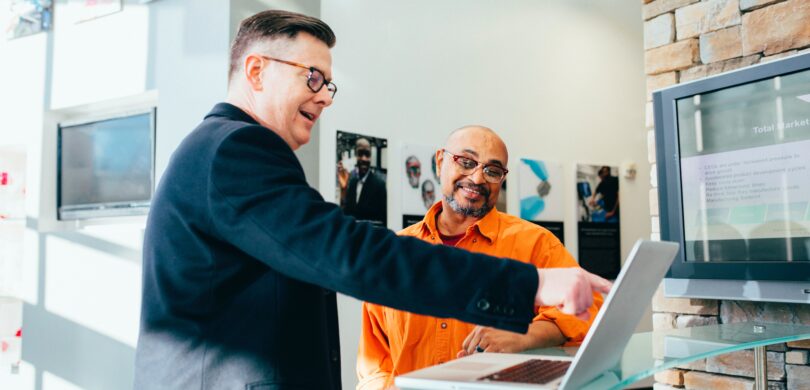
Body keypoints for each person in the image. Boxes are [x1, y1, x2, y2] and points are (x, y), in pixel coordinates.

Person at [134, 10, 611, 390]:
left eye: (329, 83)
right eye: (313, 77)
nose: (325, 97)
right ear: (256, 71)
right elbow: (350, 254)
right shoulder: (235, 149)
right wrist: (528, 285)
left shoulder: (221, 150)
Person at [356, 126, 605, 389]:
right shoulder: (396, 252)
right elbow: (374, 366)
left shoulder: (535, 243)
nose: (477, 179)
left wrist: (525, 335)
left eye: (492, 170)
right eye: (466, 162)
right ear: (440, 161)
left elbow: (588, 309)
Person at [337, 137, 387, 226]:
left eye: (367, 154)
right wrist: (343, 190)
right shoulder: (352, 183)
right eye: (360, 154)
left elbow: (383, 222)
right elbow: (345, 215)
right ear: (355, 156)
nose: (364, 159)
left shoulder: (379, 185)